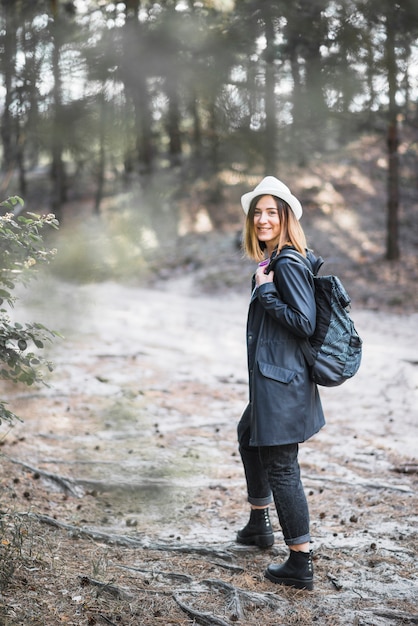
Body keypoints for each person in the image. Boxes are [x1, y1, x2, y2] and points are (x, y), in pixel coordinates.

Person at [236, 176, 325, 591]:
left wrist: (267, 293)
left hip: (282, 384)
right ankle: (259, 524)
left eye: (272, 212)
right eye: (258, 211)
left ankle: (300, 562)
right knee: (247, 432)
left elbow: (304, 323)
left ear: (286, 217)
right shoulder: (273, 260)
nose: (262, 218)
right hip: (275, 381)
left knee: (283, 466)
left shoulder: (286, 261)